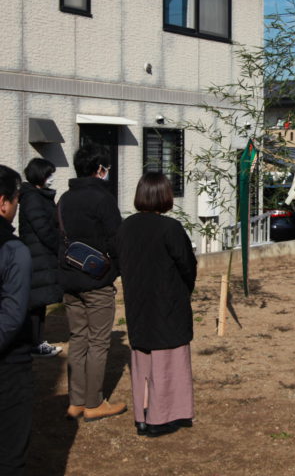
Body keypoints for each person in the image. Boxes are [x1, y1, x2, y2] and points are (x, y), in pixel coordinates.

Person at [116, 173, 197, 437]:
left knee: (143, 362)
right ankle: (161, 418)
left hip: (138, 303)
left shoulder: (126, 226)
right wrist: (186, 289)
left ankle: (143, 414)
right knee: (168, 361)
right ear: (164, 196)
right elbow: (188, 265)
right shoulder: (170, 228)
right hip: (167, 303)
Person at [58, 144, 126, 421]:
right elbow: (116, 238)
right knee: (98, 342)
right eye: (106, 168)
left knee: (78, 339)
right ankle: (94, 402)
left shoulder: (64, 199)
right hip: (97, 279)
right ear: (100, 169)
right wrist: (115, 267)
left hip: (69, 278)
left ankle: (76, 401)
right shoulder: (103, 199)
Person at [0, 165, 33, 475]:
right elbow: (11, 315)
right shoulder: (13, 250)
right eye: (15, 200)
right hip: (9, 365)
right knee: (9, 454)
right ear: (3, 203)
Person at [19, 158, 64, 358]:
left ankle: (37, 341)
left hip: (40, 255)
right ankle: (34, 342)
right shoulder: (32, 198)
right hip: (38, 255)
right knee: (36, 302)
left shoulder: (37, 195)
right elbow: (43, 228)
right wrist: (58, 246)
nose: (52, 178)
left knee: (40, 301)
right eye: (49, 174)